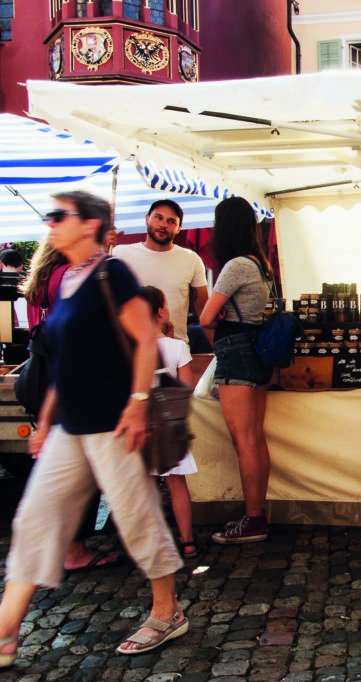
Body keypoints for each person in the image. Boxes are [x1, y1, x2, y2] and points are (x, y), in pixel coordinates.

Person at [0, 191, 186, 668]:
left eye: (60, 216)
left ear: (89, 225)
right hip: (68, 427)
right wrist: (45, 420)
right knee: (34, 520)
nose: (51, 224)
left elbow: (147, 340)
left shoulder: (113, 273)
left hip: (111, 423)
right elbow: (64, 362)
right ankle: (5, 631)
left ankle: (167, 611)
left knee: (136, 517)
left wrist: (137, 403)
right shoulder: (65, 281)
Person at [19, 240, 119, 573]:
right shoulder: (66, 277)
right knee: (82, 468)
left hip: (42, 378)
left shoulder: (39, 283)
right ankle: (74, 549)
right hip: (68, 381)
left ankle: (56, 545)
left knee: (59, 466)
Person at [199, 196, 273, 545]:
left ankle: (253, 518)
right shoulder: (261, 264)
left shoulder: (235, 266)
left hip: (237, 352)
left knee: (244, 441)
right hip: (257, 352)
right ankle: (258, 513)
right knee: (255, 439)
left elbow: (205, 317)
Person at [138, 285, 199, 559]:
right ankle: (187, 540)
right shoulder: (177, 346)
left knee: (146, 488)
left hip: (141, 424)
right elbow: (187, 388)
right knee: (177, 485)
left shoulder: (131, 349)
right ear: (162, 312)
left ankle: (153, 544)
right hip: (170, 426)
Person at [113, 199, 209, 353]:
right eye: (158, 217)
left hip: (174, 351)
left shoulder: (191, 259)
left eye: (171, 221)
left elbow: (204, 310)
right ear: (147, 218)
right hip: (128, 350)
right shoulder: (120, 253)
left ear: (179, 228)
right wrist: (102, 252)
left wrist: (219, 350)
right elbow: (100, 297)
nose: (163, 224)